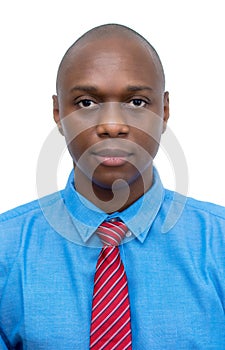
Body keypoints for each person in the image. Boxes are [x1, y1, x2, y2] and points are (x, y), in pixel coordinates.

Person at [0, 23, 225, 350]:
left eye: (136, 102)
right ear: (57, 113)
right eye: (86, 102)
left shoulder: (219, 246)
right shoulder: (6, 251)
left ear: (164, 111)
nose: (112, 126)